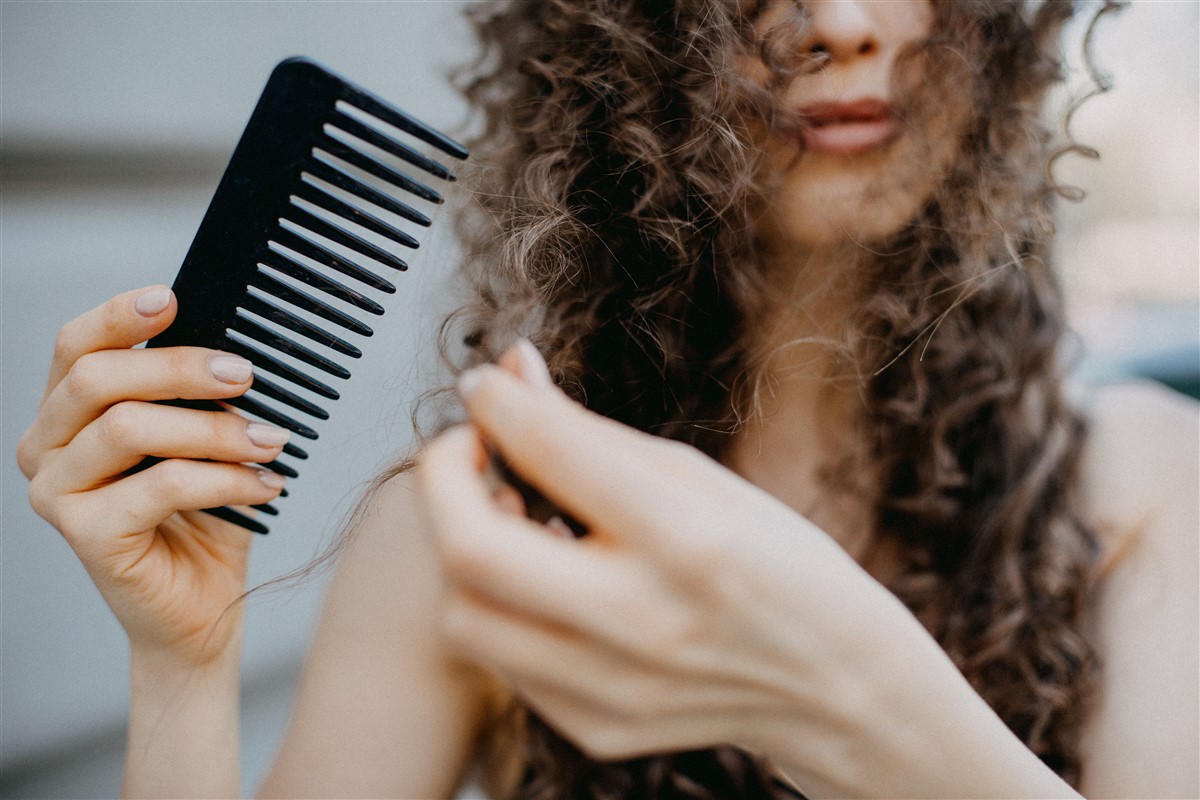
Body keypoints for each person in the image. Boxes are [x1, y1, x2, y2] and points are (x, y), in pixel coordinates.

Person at [16, 0, 1198, 797]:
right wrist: (180, 667)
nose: (843, 22)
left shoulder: (1148, 491)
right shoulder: (469, 541)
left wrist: (865, 704)